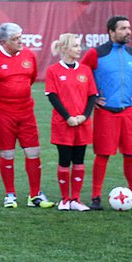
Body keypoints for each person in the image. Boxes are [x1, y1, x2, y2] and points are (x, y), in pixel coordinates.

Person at [0, 23, 54, 209]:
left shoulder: (29, 55)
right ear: (3, 42)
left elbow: (30, 79)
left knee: (33, 151)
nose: (20, 42)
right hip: (1, 113)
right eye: (15, 39)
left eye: (20, 37)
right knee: (7, 153)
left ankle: (35, 195)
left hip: (26, 112)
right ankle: (10, 195)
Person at [81, 16, 132, 210]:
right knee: (102, 155)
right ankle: (95, 197)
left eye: (129, 27)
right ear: (111, 32)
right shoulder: (96, 53)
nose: (128, 32)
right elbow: (82, 75)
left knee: (131, 155)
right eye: (123, 28)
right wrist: (92, 98)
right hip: (105, 113)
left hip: (128, 113)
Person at [45, 34, 97, 211]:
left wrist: (84, 117)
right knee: (64, 160)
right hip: (63, 124)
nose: (79, 49)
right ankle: (65, 199)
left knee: (79, 160)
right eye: (75, 46)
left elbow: (92, 96)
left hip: (82, 124)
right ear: (65, 49)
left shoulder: (85, 70)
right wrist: (68, 117)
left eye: (79, 45)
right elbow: (52, 96)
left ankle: (76, 199)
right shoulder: (53, 70)